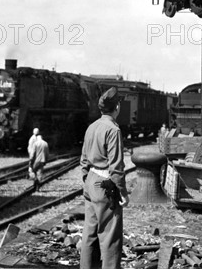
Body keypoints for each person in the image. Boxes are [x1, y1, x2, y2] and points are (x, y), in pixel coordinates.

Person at [80, 87, 129, 269]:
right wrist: (123, 193)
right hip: (105, 184)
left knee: (90, 233)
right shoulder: (113, 130)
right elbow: (116, 167)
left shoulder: (91, 127)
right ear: (116, 106)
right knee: (110, 236)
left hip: (91, 181)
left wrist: (88, 180)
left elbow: (84, 160)